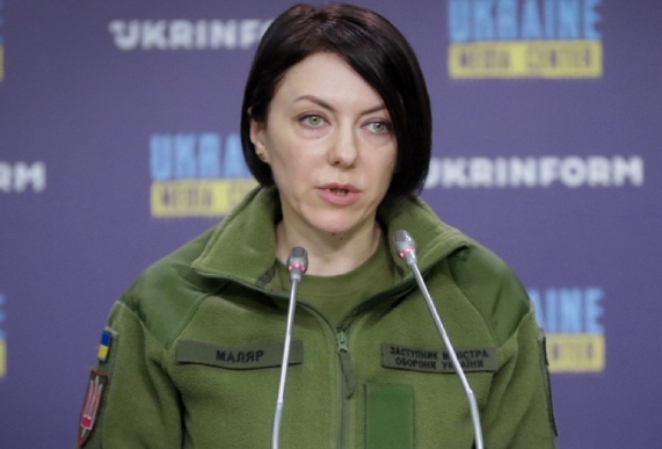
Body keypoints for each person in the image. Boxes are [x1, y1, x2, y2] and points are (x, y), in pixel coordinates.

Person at [75, 3, 558, 448]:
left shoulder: (484, 296)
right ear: (259, 132)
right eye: (313, 119)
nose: (345, 153)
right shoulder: (166, 304)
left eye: (377, 125)